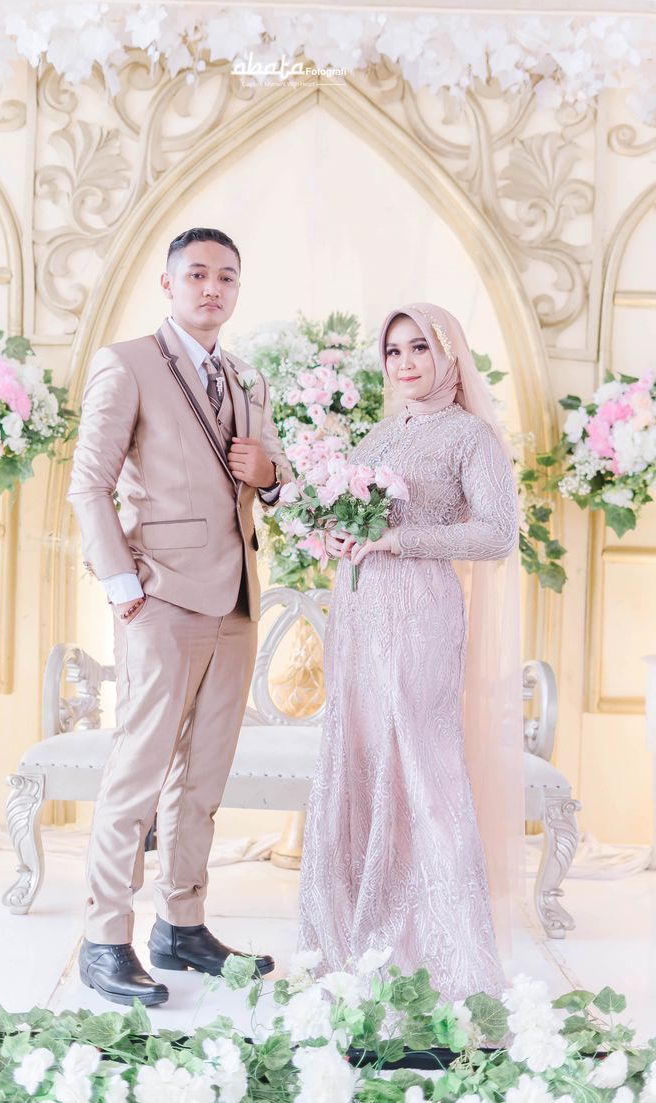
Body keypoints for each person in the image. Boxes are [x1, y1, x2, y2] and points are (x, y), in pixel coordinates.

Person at [68, 227, 292, 1006]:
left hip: (236, 598)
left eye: (227, 277)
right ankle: (103, 936)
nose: (212, 288)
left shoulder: (245, 377)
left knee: (202, 778)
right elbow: (87, 482)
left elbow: (269, 475)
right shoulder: (124, 363)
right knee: (136, 774)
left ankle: (182, 923)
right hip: (159, 598)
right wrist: (120, 581)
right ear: (167, 283)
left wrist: (271, 475)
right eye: (196, 273)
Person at [297, 302, 523, 1000]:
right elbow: (350, 512)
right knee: (359, 755)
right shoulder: (379, 432)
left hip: (420, 613)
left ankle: (444, 951)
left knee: (420, 765)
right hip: (361, 612)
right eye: (392, 351)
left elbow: (495, 533)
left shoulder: (469, 436)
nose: (403, 363)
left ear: (448, 351)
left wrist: (401, 540)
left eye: (417, 347)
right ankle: (356, 939)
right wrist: (336, 535)